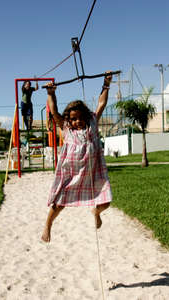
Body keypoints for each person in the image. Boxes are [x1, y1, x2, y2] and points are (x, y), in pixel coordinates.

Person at [41, 72, 113, 243]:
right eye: (74, 119)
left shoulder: (92, 124)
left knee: (106, 202)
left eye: (81, 118)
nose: (78, 121)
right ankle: (47, 226)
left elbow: (101, 103)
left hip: (93, 172)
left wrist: (106, 84)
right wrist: (51, 94)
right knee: (59, 203)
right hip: (71, 173)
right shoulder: (67, 129)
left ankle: (96, 212)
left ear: (87, 116)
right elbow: (54, 111)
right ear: (69, 119)